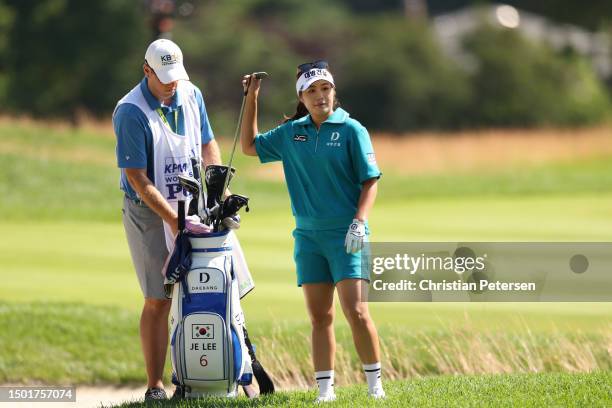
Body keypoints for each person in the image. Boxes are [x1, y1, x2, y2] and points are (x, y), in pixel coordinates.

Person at [239, 61, 385, 402]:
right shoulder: (292, 133)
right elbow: (249, 146)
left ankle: (376, 387)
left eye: (326, 89)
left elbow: (370, 181)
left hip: (347, 233)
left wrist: (360, 221)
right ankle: (325, 390)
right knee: (320, 316)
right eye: (312, 91)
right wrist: (252, 98)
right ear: (301, 98)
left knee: (358, 311)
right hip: (308, 238)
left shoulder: (352, 130)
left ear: (334, 91)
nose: (321, 97)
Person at [112, 39, 220, 401]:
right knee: (158, 297)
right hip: (148, 209)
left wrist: (216, 184)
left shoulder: (191, 93)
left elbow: (207, 143)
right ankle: (155, 386)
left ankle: (198, 375)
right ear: (146, 70)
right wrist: (173, 220)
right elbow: (137, 179)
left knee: (200, 290)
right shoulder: (131, 111)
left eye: (176, 75)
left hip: (191, 202)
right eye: (163, 77)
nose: (171, 83)